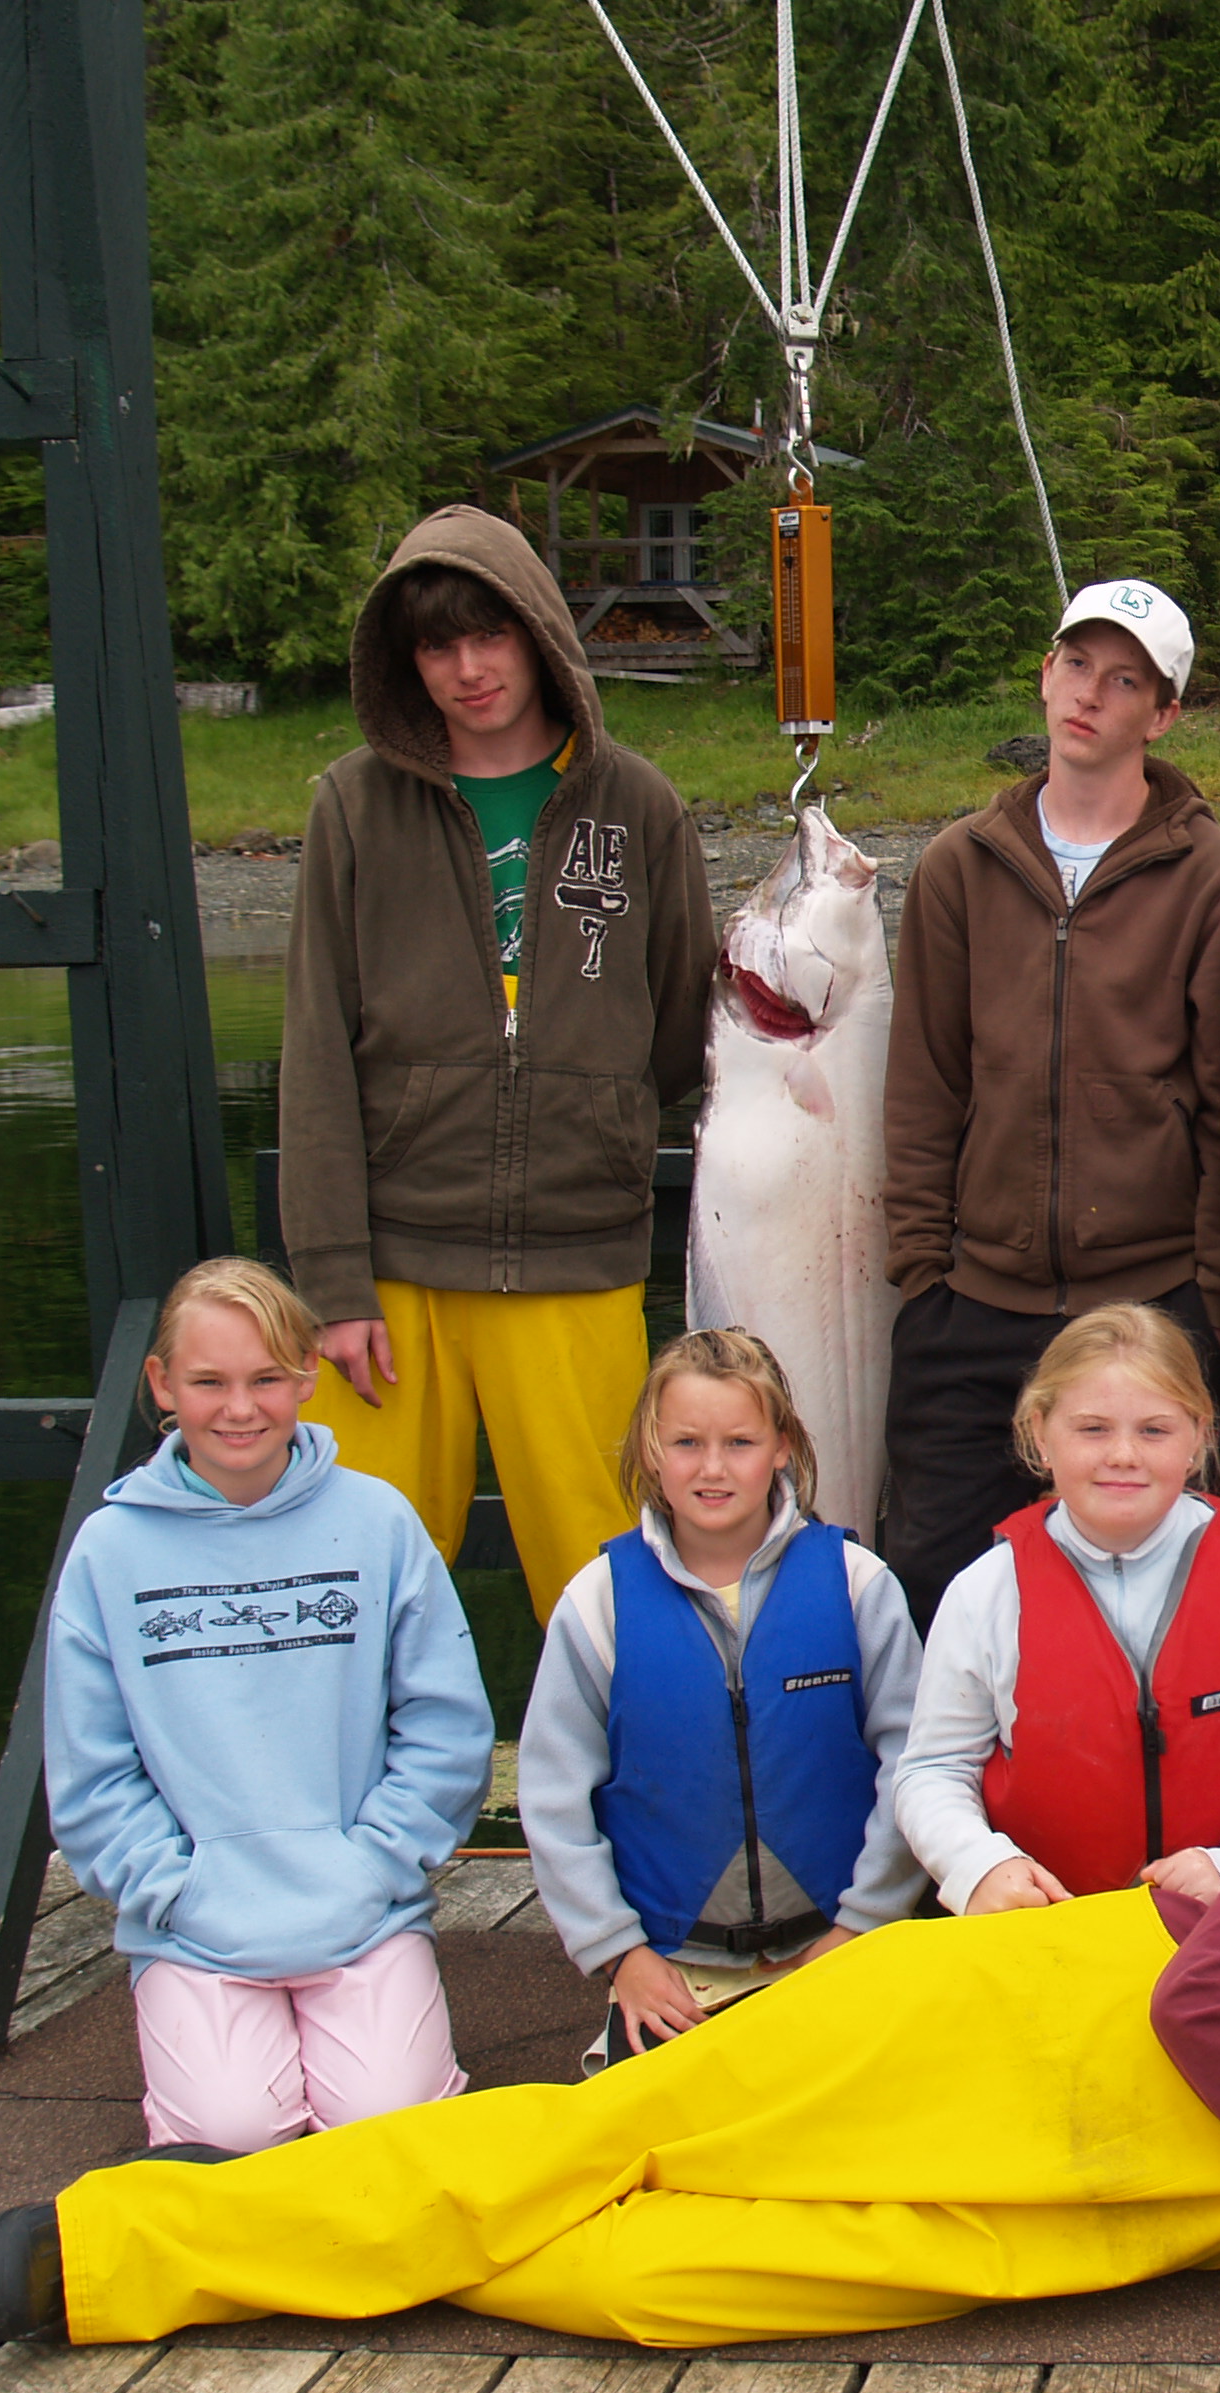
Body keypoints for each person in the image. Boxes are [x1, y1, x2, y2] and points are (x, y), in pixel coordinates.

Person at [0, 1680, 1220, 2347]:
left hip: (1072, 2206)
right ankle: (132, 2250)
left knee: (665, 2283)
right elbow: (1212, 2008)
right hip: (977, 2024)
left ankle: (363, 2233)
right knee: (605, 2131)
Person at [281, 506, 717, 1625]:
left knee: (608, 1581)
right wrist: (331, 1281)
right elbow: (315, 1052)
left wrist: (598, 1113)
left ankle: (631, 1799)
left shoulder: (643, 805)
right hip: (391, 1270)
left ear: (540, 637)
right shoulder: (352, 805)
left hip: (578, 1255)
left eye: (492, 637)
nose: (469, 670)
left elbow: (678, 1027)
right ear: (404, 662)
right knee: (357, 1581)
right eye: (436, 646)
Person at [880, 580, 1220, 1630]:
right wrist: (923, 1281)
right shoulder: (958, 869)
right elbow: (924, 1086)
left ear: (1166, 711)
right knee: (934, 1600)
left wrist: (1218, 1318)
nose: (1092, 694)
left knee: (1169, 1616)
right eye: (1077, 664)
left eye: (1126, 677)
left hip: (1154, 1309)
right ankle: (940, 1799)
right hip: (975, 1309)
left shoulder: (1216, 881)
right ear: (1046, 675)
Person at [43, 1259, 492, 2156]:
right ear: (163, 1385)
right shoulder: (109, 1549)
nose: (238, 1408)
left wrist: (377, 1864)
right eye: (208, 1382)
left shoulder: (378, 1521)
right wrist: (176, 1890)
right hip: (198, 1928)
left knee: (386, 2134)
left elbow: (445, 1728)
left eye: (263, 1380)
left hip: (363, 1911)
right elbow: (92, 1771)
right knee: (233, 2135)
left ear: (305, 1378)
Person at [519, 1330, 927, 2071]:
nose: (712, 1468)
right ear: (649, 1449)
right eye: (685, 1442)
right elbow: (553, 1801)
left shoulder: (857, 1584)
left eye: (739, 1441)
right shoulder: (599, 1603)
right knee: (662, 2161)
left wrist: (862, 1926)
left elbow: (914, 1767)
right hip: (672, 1972)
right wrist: (621, 1954)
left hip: (837, 1949)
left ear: (781, 1447)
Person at [891, 1304, 1220, 1916]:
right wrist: (978, 1865)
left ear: (1199, 1435)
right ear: (1040, 1434)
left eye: (1154, 1430)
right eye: (1092, 1429)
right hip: (1049, 1935)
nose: (1123, 1454)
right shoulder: (987, 1591)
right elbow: (932, 1769)